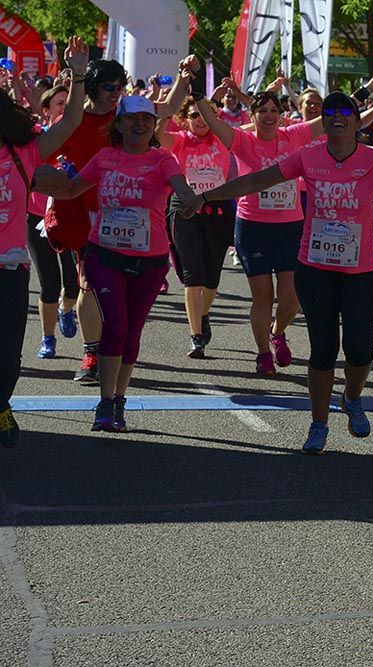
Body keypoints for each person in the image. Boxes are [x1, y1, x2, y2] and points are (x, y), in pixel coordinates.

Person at [188, 92, 373, 451]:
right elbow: (257, 181)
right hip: (314, 267)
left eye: (344, 111)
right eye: (331, 111)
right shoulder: (307, 156)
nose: (337, 116)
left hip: (360, 271)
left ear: (356, 120)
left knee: (360, 350)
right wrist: (208, 196)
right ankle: (318, 424)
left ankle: (351, 398)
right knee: (323, 350)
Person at [40, 93, 199, 431]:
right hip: (106, 254)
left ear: (153, 125)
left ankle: (119, 398)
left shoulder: (163, 159)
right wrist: (26, 176)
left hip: (150, 261)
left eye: (146, 119)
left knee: (132, 330)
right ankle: (105, 402)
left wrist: (188, 199)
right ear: (120, 124)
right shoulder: (106, 157)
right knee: (115, 324)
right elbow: (71, 189)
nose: (139, 124)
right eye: (132, 119)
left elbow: (180, 186)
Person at [192, 87, 326, 375]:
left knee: (292, 297)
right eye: (262, 111)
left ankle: (277, 333)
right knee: (262, 295)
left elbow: (330, 117)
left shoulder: (295, 135)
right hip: (253, 227)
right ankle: (263, 353)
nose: (269, 116)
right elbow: (214, 122)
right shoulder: (242, 140)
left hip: (290, 227)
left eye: (274, 111)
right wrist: (196, 93)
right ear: (252, 116)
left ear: (281, 115)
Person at [0, 38, 88, 447]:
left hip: (9, 269)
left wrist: (80, 74)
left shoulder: (23, 151)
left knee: (7, 357)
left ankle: (1, 404)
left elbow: (70, 123)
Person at [156, 93, 236, 358]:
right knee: (193, 275)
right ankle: (196, 336)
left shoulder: (224, 139)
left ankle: (203, 314)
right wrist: (168, 101)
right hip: (185, 210)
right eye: (193, 115)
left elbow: (259, 129)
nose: (200, 120)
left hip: (218, 210)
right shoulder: (178, 141)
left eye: (204, 115)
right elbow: (159, 132)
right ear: (183, 120)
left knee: (212, 278)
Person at [27, 84, 81, 359]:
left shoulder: (76, 139)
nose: (64, 107)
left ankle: (66, 308)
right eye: (59, 104)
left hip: (68, 216)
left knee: (72, 283)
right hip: (36, 217)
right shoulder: (35, 139)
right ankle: (48, 338)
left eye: (67, 103)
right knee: (49, 282)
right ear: (46, 110)